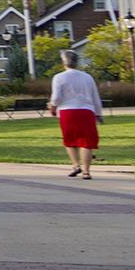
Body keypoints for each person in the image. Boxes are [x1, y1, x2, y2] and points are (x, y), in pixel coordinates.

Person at [49, 50, 104, 179]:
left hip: (67, 111)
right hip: (86, 110)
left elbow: (56, 97)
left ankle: (75, 165)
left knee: (70, 140)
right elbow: (95, 96)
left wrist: (53, 106)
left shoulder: (59, 77)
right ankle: (86, 171)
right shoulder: (87, 77)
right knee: (86, 142)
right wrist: (98, 113)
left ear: (63, 62)